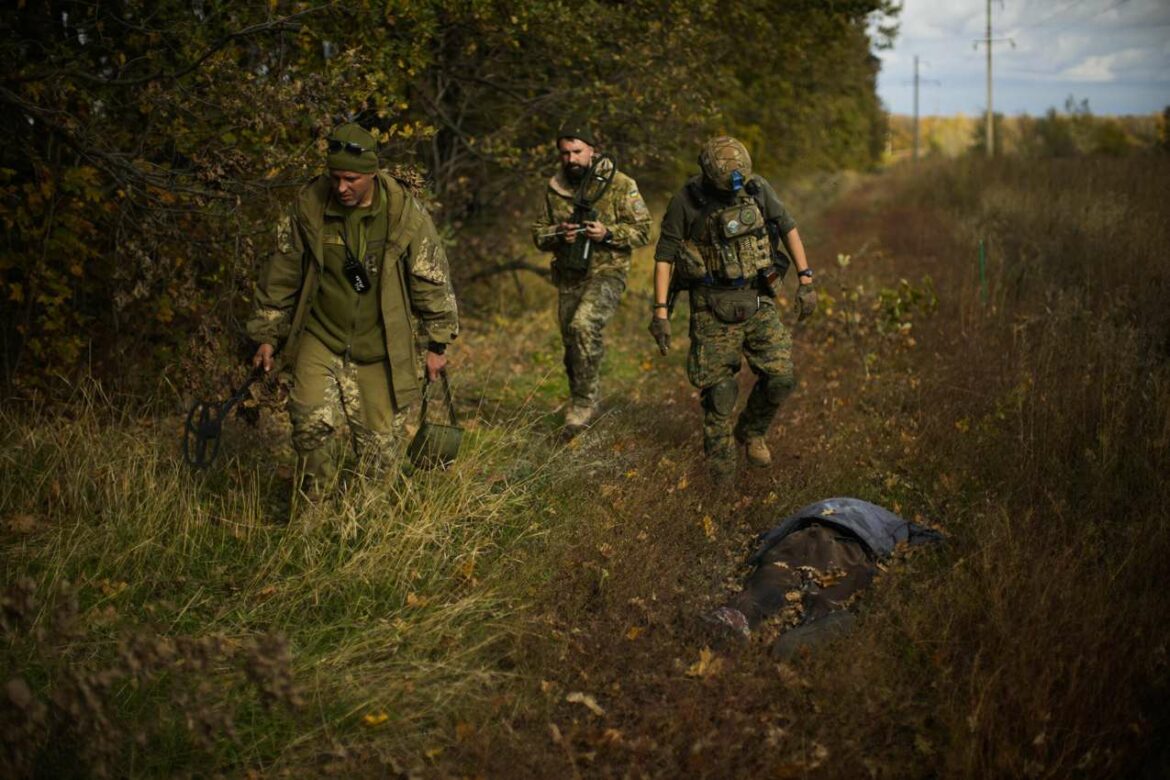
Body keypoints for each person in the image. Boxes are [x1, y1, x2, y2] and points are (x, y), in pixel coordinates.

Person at [246, 123, 459, 491]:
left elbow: (431, 278)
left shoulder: (404, 214)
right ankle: (315, 506)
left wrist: (437, 342)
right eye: (334, 177)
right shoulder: (308, 207)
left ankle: (366, 523)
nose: (341, 187)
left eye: (350, 179)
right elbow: (281, 274)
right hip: (321, 335)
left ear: (372, 174)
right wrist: (267, 334)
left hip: (381, 346)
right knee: (309, 425)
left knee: (379, 451)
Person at [649, 136, 817, 482]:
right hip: (711, 305)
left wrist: (806, 279)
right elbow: (664, 256)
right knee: (720, 392)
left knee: (781, 378)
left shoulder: (756, 189)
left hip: (756, 299)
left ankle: (752, 432)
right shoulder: (687, 201)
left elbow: (788, 226)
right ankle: (721, 481)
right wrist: (661, 313)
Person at [531, 117, 651, 436]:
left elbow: (644, 230)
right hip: (570, 273)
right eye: (565, 153)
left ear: (592, 151)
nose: (571, 159)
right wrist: (560, 233)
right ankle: (579, 397)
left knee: (584, 325)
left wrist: (609, 233)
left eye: (577, 151)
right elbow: (538, 234)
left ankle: (584, 405)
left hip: (607, 271)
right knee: (571, 343)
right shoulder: (555, 189)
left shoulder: (620, 184)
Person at [707, 497, 943, 658]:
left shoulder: (824, 504)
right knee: (822, 601)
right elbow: (928, 540)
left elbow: (776, 533)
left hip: (804, 534)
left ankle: (736, 616)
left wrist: (756, 557)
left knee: (769, 584)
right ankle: (794, 642)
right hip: (852, 548)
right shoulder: (893, 522)